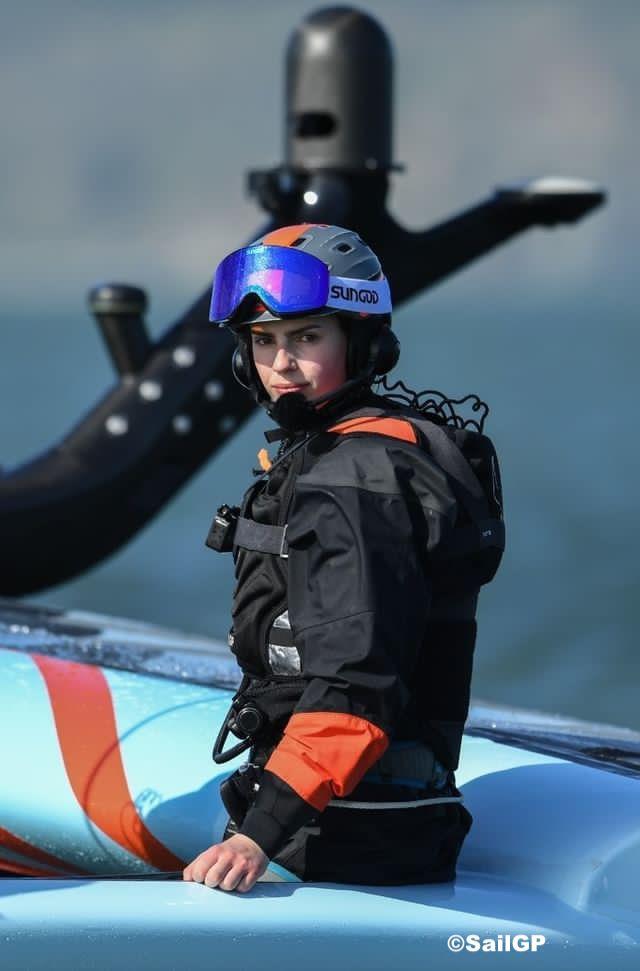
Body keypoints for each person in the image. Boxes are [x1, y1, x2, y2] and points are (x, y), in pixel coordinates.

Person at [183, 223, 504, 892]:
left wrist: (256, 835)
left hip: (350, 836)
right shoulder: (345, 452)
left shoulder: (356, 479)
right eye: (264, 341)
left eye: (306, 337)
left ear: (361, 342)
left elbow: (356, 685)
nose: (282, 362)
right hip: (364, 814)